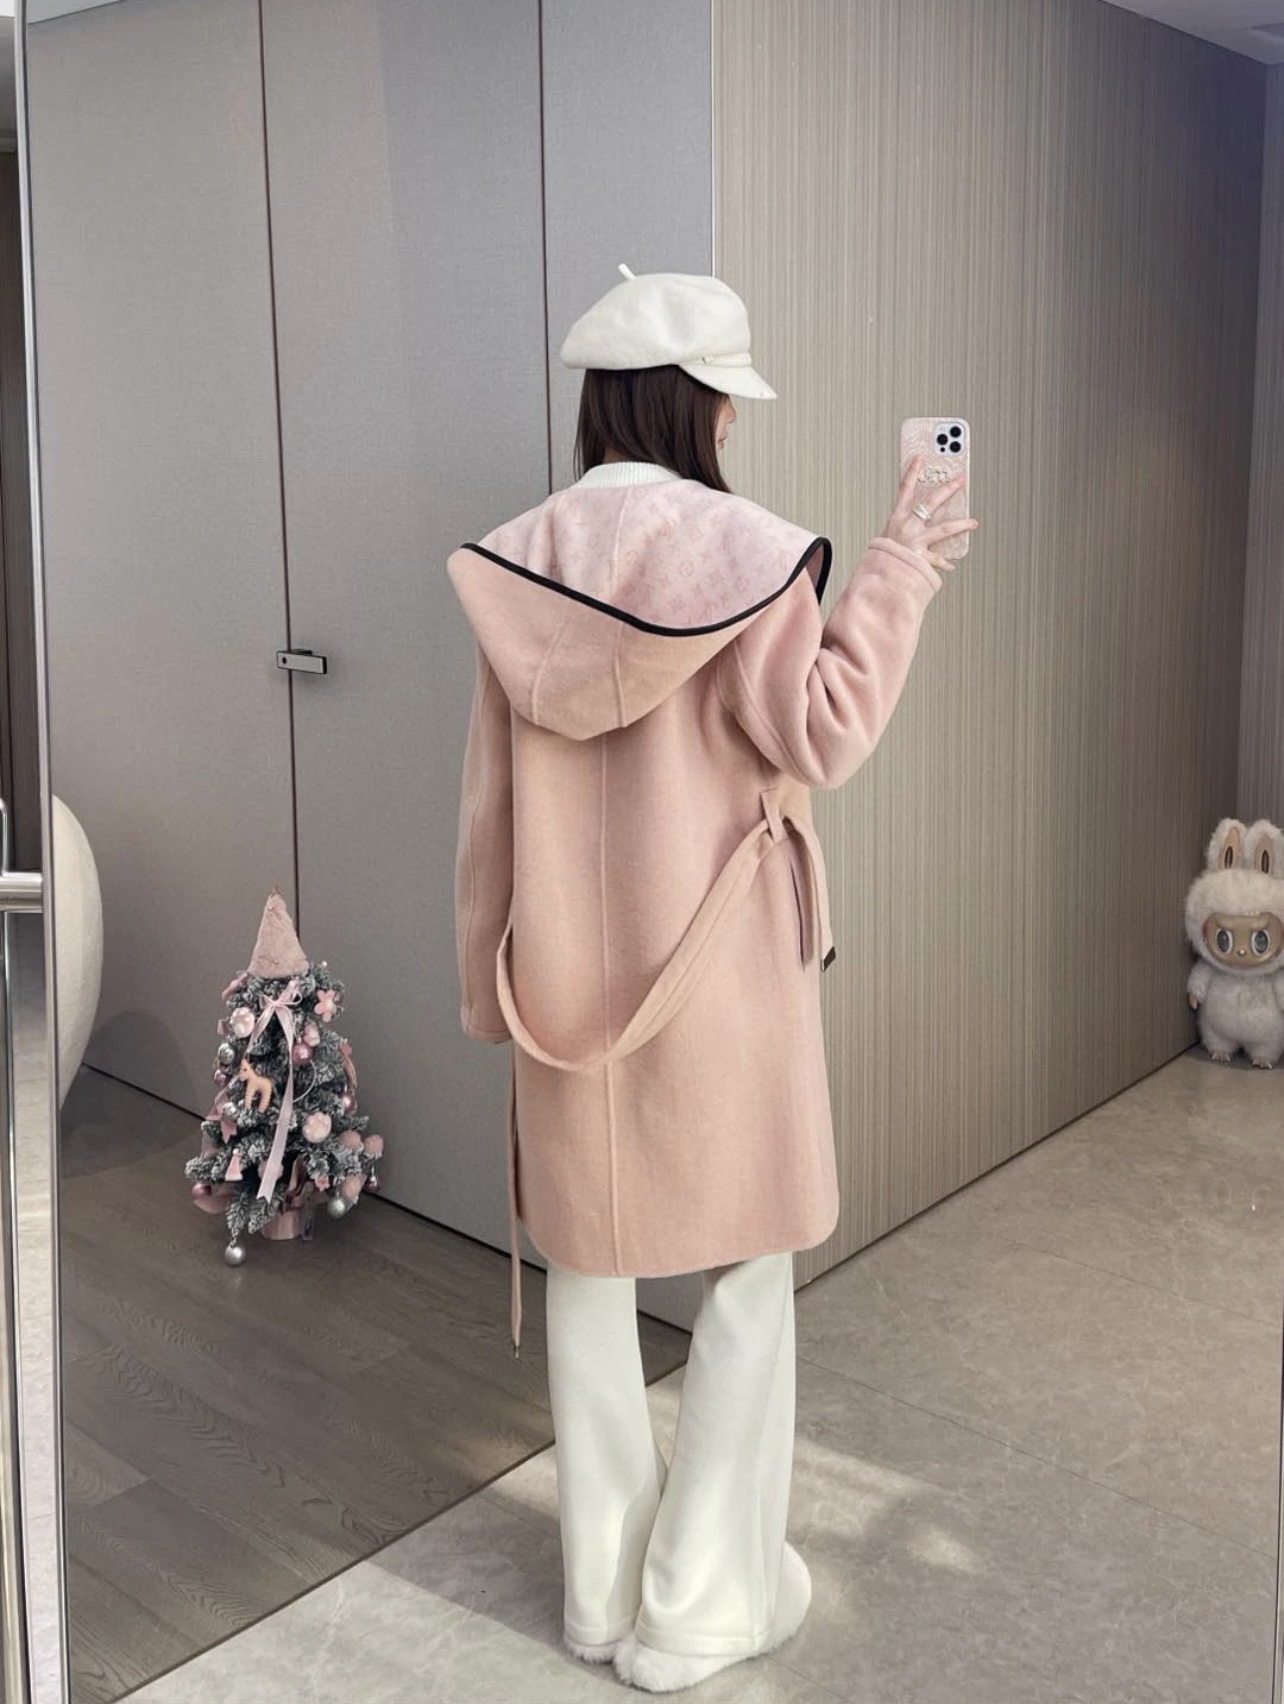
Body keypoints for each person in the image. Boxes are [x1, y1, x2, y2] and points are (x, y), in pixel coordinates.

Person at [447, 265, 977, 1694]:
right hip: (721, 976)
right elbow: (823, 733)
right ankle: (696, 1610)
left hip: (565, 985)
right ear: (703, 411)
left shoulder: (518, 567)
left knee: (590, 1272)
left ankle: (600, 1597)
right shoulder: (751, 557)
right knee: (746, 1272)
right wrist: (901, 568)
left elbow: (489, 810)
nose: (735, 426)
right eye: (729, 403)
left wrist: (488, 984)